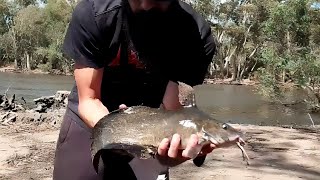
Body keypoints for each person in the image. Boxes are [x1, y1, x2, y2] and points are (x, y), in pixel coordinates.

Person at [52, 0, 217, 179]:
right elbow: (89, 100)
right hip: (88, 120)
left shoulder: (195, 35)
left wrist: (176, 151)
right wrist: (119, 127)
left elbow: (172, 111)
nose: (146, 5)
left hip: (153, 126)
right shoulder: (96, 12)